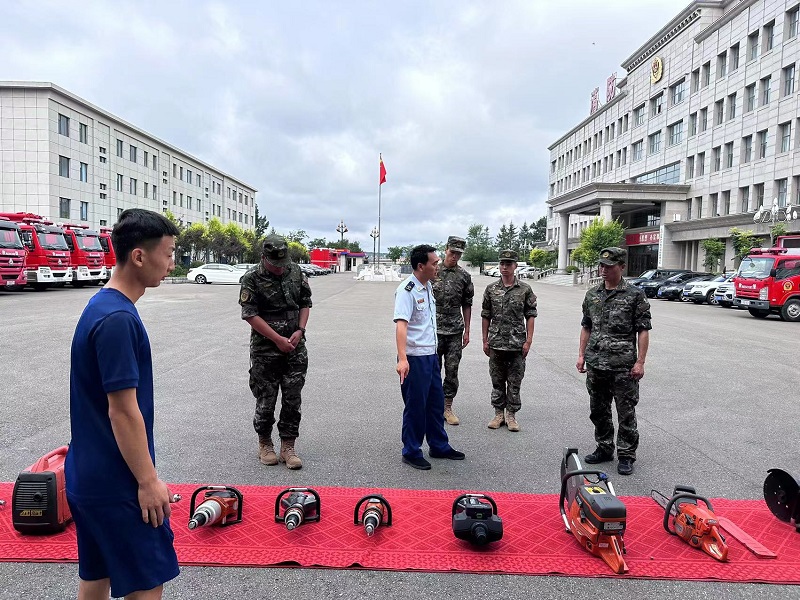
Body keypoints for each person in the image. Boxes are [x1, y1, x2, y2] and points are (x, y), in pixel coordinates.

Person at [65, 208, 180, 600]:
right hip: (118, 482)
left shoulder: (102, 305)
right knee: (146, 584)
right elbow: (123, 410)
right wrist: (148, 482)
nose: (172, 263)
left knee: (96, 577)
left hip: (88, 473)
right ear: (139, 256)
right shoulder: (117, 319)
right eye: (168, 253)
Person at [576, 247, 651, 476]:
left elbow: (643, 330)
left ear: (621, 266)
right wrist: (581, 354)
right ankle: (604, 447)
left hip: (622, 366)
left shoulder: (634, 295)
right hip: (596, 363)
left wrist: (640, 362)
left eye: (609, 266)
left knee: (625, 411)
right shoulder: (592, 294)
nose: (604, 270)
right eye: (602, 266)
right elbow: (586, 326)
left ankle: (627, 454)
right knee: (598, 410)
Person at [239, 234, 312, 470]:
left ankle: (288, 446)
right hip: (265, 349)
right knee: (266, 398)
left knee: (292, 398)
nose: (280, 269)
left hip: (295, 346)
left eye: (283, 263)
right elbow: (250, 314)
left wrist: (300, 330)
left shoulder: (296, 271)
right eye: (274, 264)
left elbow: (305, 303)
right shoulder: (251, 278)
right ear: (264, 257)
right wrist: (277, 339)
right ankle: (265, 443)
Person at [394, 244, 466, 470]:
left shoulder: (427, 287)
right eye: (434, 263)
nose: (437, 266)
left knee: (435, 404)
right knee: (416, 406)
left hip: (431, 355)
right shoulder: (407, 290)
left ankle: (438, 445)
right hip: (415, 358)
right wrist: (402, 358)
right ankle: (411, 450)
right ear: (420, 266)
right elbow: (401, 326)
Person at [481, 249, 537, 432]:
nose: (504, 267)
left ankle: (511, 415)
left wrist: (528, 341)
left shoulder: (525, 290)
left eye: (509, 264)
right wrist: (485, 340)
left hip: (516, 344)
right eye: (502, 264)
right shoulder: (491, 289)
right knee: (497, 381)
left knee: (515, 381)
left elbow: (530, 315)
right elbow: (486, 315)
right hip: (496, 342)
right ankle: (498, 414)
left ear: (515, 266)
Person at [432, 235, 474, 426]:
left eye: (458, 254)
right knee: (432, 370)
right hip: (433, 330)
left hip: (455, 331)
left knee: (452, 370)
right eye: (452, 252)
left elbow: (467, 304)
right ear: (446, 249)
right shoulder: (433, 271)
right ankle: (433, 407)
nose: (454, 256)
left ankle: (447, 407)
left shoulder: (464, 276)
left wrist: (467, 330)